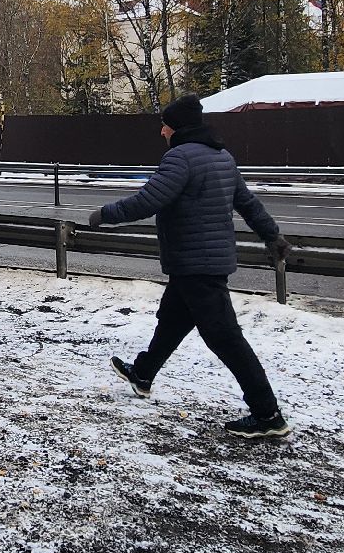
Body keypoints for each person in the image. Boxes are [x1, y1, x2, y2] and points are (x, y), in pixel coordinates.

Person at [87, 95, 295, 439]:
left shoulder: (180, 158)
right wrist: (272, 236)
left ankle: (267, 414)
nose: (162, 130)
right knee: (171, 320)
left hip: (197, 265)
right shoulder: (221, 156)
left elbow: (148, 200)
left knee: (226, 339)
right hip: (197, 264)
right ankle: (143, 373)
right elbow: (248, 203)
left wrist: (106, 214)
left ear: (178, 127)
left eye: (165, 124)